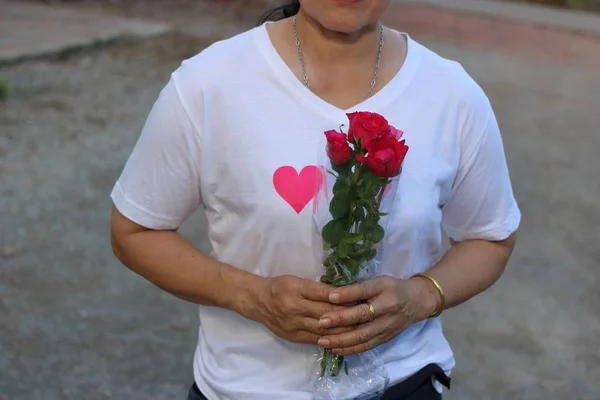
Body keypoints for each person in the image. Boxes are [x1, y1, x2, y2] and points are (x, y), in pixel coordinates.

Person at [109, 0, 521, 399]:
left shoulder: (453, 95)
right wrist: (251, 295)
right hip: (244, 389)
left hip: (402, 384)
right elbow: (135, 231)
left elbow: (489, 237)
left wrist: (422, 296)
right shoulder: (209, 83)